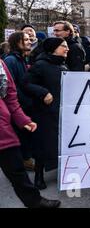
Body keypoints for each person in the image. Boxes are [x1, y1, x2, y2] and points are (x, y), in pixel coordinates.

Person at [0, 59, 60, 208]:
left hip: (3, 130)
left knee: (17, 170)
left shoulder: (1, 64)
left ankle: (35, 201)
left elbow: (10, 95)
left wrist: (22, 119)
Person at [24, 37, 69, 189]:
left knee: (60, 144)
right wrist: (43, 92)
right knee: (42, 146)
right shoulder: (40, 65)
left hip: (60, 112)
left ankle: (64, 173)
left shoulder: (63, 66)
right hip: (44, 113)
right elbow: (26, 84)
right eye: (63, 46)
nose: (67, 49)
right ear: (53, 49)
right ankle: (38, 176)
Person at [4, 32, 35, 170]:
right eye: (26, 40)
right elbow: (10, 87)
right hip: (18, 106)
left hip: (25, 104)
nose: (30, 41)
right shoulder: (11, 61)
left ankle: (26, 159)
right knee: (21, 134)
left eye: (30, 39)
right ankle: (24, 161)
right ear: (17, 43)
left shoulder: (23, 59)